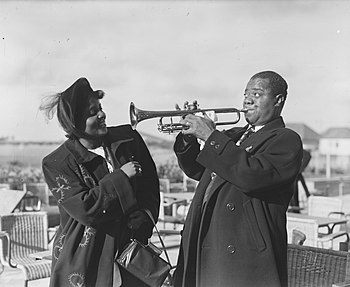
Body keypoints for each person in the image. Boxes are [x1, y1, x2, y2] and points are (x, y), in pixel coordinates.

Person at [172, 71, 303, 287]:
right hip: (208, 237)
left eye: (257, 94)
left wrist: (211, 137)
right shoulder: (233, 135)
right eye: (246, 94)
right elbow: (196, 170)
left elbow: (251, 175)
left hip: (243, 251)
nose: (247, 100)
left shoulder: (286, 139)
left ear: (278, 100)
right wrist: (189, 136)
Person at [40, 77, 160, 287]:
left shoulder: (128, 139)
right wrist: (121, 177)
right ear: (75, 124)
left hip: (132, 259)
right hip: (84, 263)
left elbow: (150, 186)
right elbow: (86, 209)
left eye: (100, 108)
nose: (102, 114)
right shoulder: (56, 163)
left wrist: (146, 214)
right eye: (92, 112)